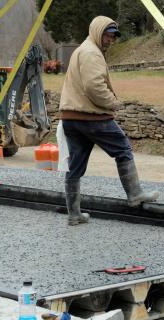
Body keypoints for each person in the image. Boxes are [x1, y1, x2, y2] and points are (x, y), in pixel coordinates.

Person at [58, 16, 158, 226]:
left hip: (71, 117)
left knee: (75, 166)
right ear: (97, 32)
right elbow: (94, 86)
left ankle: (74, 214)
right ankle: (135, 195)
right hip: (91, 116)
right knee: (123, 149)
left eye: (113, 36)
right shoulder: (92, 53)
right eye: (107, 35)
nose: (110, 39)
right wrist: (113, 103)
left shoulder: (81, 50)